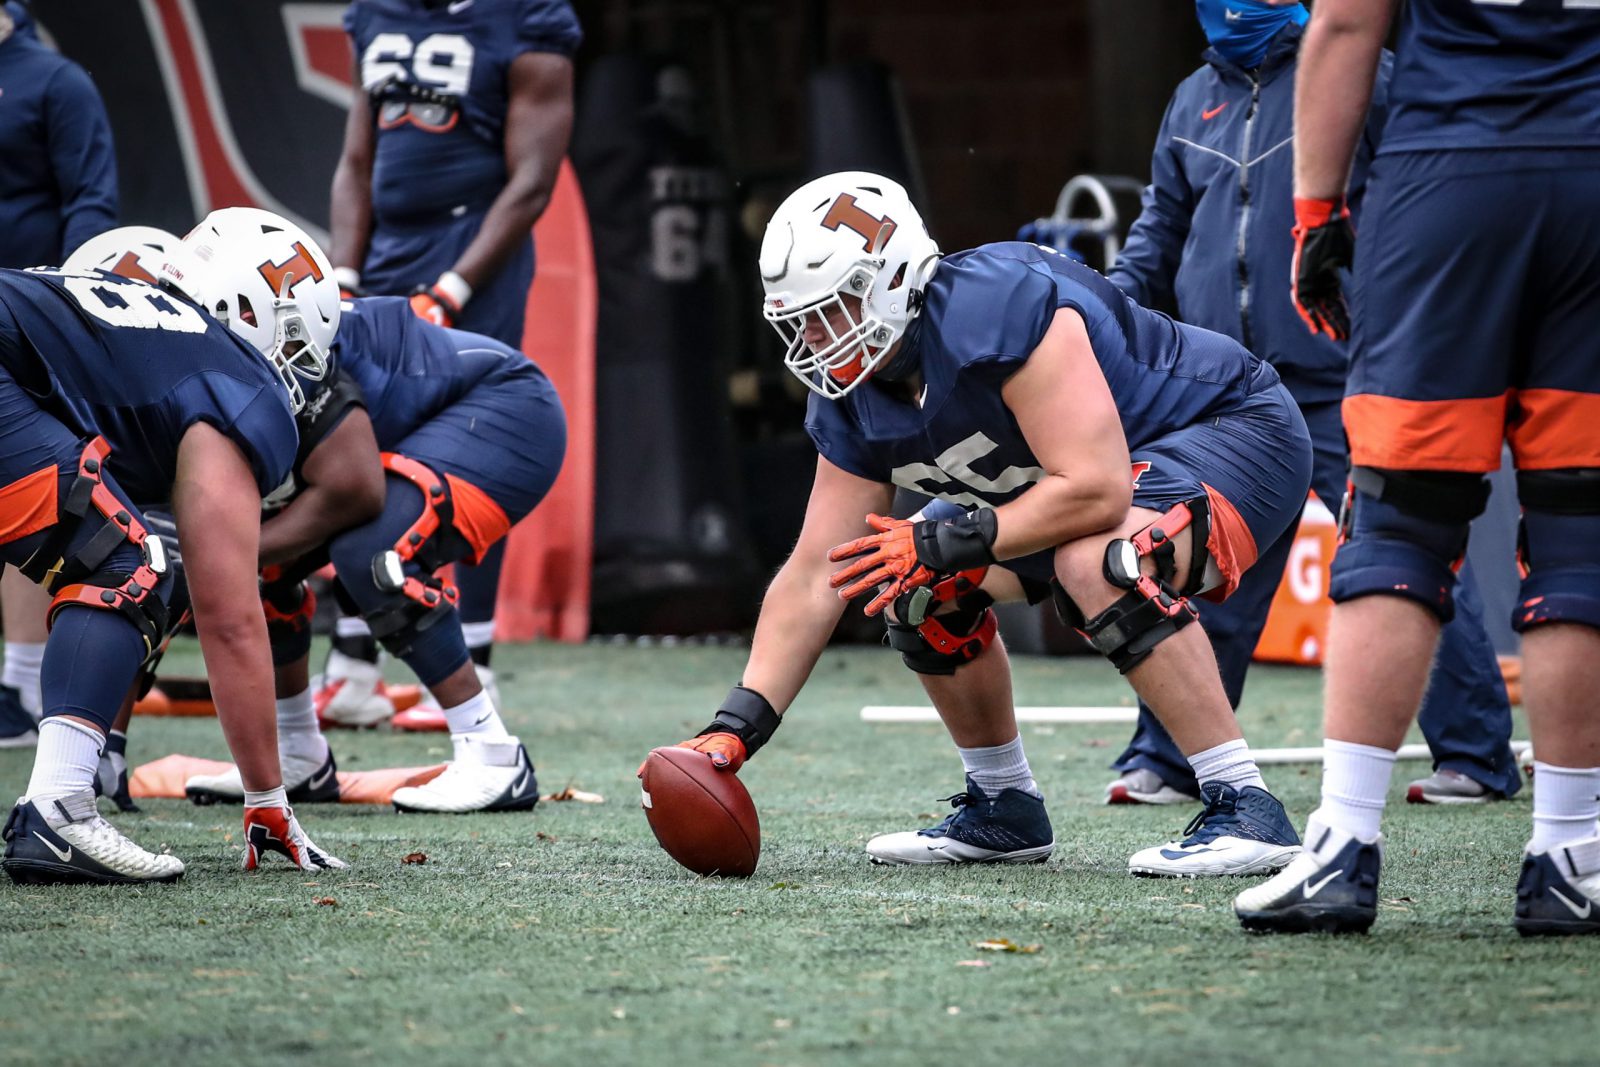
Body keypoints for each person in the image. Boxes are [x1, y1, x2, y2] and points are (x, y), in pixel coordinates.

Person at [657, 171, 1313, 878]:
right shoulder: (850, 394)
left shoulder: (998, 310)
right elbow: (822, 567)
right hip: (1081, 479)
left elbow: (1094, 488)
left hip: (1233, 430)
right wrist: (734, 729)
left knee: (1099, 561)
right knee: (913, 582)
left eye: (834, 310)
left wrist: (943, 536)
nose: (818, 338)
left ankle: (1245, 802)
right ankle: (1004, 807)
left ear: (893, 277)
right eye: (804, 320)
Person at [1235, 0, 1600, 935]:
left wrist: (1314, 213)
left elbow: (1349, 24)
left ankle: (1344, 843)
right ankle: (1574, 852)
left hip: (1451, 174)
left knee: (1399, 518)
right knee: (1580, 533)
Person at [1105, 0, 1518, 808]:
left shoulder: (1362, 71)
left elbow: (1419, 206)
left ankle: (1476, 756)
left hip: (1343, 370)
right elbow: (1160, 231)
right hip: (1226, 391)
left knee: (1402, 550)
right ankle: (1167, 754)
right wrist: (1105, 312)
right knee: (1202, 563)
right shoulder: (1192, 97)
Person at [166, 209, 566, 814]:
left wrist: (229, 550)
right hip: (427, 422)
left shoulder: (299, 348)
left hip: (509, 409)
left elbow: (355, 491)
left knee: (376, 556)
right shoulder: (259, 343)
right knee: (266, 556)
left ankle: (493, 755)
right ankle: (299, 750)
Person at [0, 219, 346, 884]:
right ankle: (61, 807)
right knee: (131, 560)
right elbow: (229, 615)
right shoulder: (238, 380)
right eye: (294, 342)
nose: (294, 367)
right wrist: (269, 800)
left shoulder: (119, 322)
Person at [323, 0, 580, 724]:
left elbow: (531, 180)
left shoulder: (527, 18)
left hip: (472, 254)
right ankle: (352, 664)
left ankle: (478, 656)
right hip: (384, 252)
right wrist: (346, 274)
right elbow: (356, 159)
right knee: (354, 442)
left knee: (469, 448)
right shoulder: (377, 14)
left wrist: (453, 287)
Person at [0, 0, 119, 750]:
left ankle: (16, 684)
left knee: (20, 487)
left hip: (26, 325)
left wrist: (66, 306)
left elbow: (91, 204)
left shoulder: (57, 82)